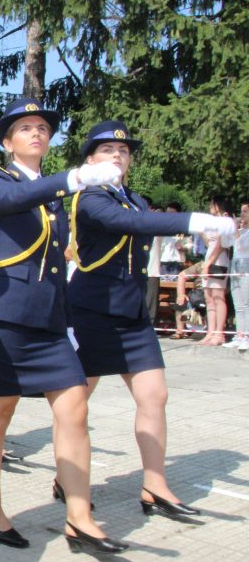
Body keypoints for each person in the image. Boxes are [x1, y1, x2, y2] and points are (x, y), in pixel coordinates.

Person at [0, 98, 128, 555]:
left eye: (42, 127)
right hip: (6, 319)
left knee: (75, 408)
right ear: (7, 142)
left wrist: (69, 322)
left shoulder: (56, 195)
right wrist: (74, 178)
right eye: (25, 128)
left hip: (51, 322)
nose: (36, 132)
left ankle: (80, 518)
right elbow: (10, 202)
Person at [69, 120, 235, 520]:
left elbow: (140, 220)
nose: (117, 155)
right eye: (108, 150)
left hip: (131, 312)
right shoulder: (89, 198)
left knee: (154, 396)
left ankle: (155, 486)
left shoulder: (136, 200)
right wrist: (194, 220)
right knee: (74, 406)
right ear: (90, 160)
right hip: (92, 310)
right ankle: (68, 479)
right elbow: (129, 225)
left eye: (123, 151)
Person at [198, 197, 233, 346]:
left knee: (218, 297)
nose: (210, 207)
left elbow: (220, 246)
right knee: (209, 298)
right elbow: (210, 244)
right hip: (209, 259)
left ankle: (219, 333)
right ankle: (210, 332)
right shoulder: (212, 223)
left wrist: (208, 264)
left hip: (219, 261)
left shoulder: (224, 221)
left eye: (212, 204)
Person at [224, 202, 249, 350]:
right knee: (238, 304)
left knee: (246, 303)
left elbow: (242, 246)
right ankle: (239, 335)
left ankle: (247, 336)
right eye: (241, 211)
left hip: (246, 265)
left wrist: (236, 231)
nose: (242, 214)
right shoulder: (239, 230)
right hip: (236, 264)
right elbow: (226, 243)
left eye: (245, 211)